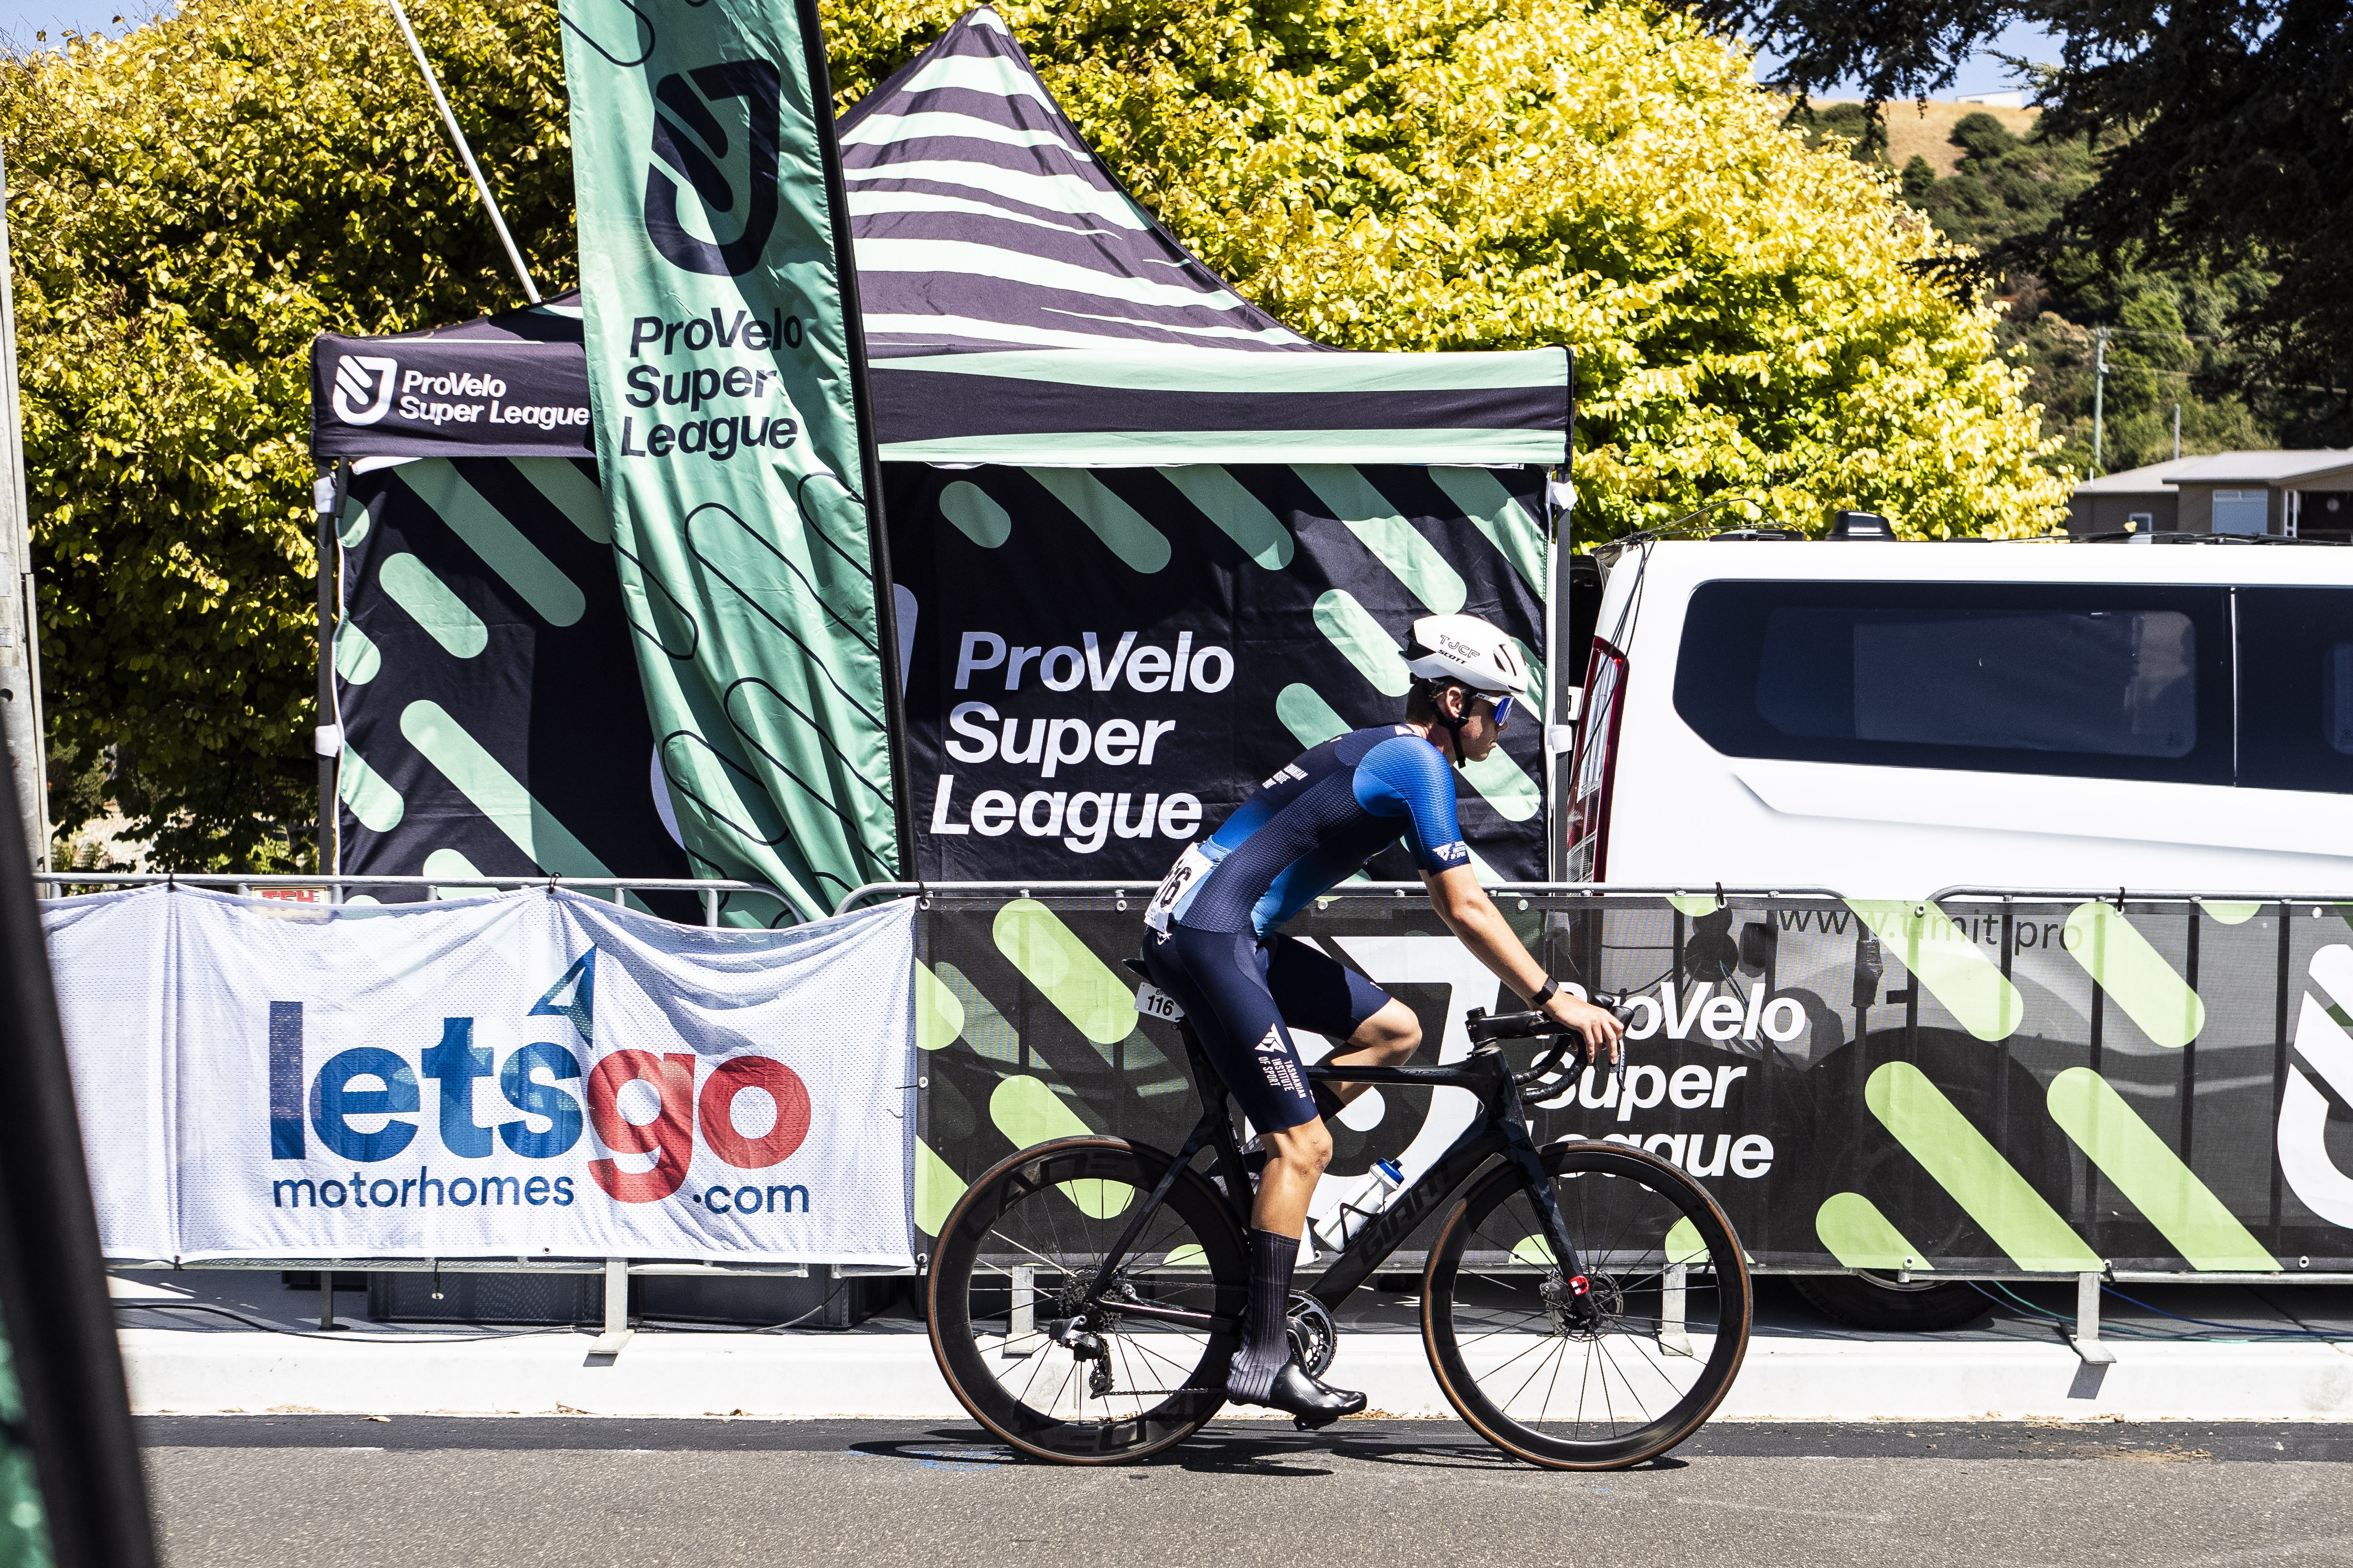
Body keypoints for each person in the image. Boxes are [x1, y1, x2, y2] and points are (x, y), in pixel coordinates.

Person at [1141, 612, 1628, 1427]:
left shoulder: (1382, 749)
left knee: (1394, 1032)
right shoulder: (1415, 764)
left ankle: (1273, 1175)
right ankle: (1260, 1359)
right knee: (1310, 1145)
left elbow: (1453, 902)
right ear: (1452, 700)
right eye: (1495, 710)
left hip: (1222, 929)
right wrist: (1552, 997)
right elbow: (1464, 907)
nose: (1500, 727)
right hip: (1206, 936)